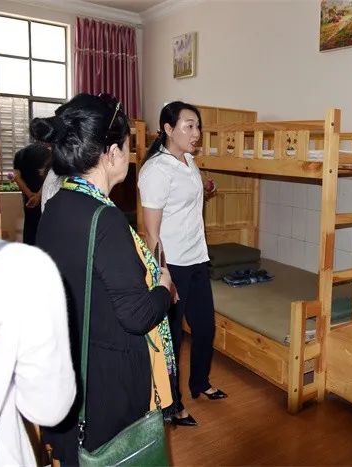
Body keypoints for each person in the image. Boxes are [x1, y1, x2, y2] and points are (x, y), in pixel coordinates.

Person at [34, 93, 176, 465]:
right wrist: (164, 289)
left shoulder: (57, 205)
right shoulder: (106, 219)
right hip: (106, 377)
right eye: (128, 147)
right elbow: (137, 315)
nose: (131, 155)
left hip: (70, 361)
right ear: (111, 153)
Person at [0, 65, 75, 466]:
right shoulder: (20, 275)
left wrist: (30, 193)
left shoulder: (34, 154)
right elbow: (48, 406)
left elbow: (21, 176)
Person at [138, 101, 224, 428]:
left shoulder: (188, 160)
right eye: (189, 126)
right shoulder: (156, 170)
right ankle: (171, 405)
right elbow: (152, 232)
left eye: (198, 126)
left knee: (205, 328)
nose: (196, 133)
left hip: (197, 258)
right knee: (172, 339)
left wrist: (206, 187)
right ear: (168, 129)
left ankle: (200, 382)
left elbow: (186, 196)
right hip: (172, 264)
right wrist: (163, 275)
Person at [13, 141, 51, 244]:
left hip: (29, 200)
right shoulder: (49, 153)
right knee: (46, 230)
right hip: (46, 197)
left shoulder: (20, 154)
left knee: (29, 227)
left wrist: (30, 194)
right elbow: (50, 177)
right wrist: (38, 196)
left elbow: (16, 177)